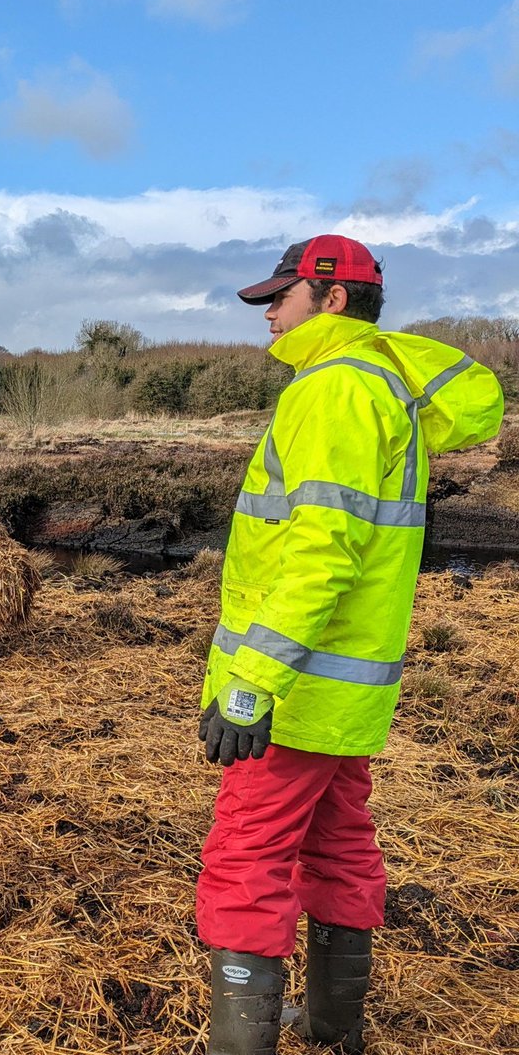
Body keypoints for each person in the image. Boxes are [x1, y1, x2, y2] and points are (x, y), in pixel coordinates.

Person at [195, 235, 503, 1055]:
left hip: (294, 694)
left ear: (330, 299)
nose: (267, 312)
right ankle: (333, 1028)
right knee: (337, 847)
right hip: (347, 691)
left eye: (280, 295)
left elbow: (323, 552)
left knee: (247, 858)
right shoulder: (377, 387)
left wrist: (251, 680)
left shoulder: (334, 390)